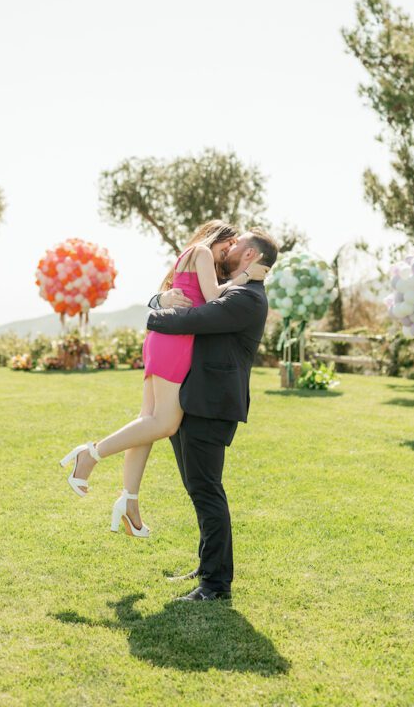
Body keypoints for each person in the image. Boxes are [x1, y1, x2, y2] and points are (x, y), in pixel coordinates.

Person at [58, 221, 266, 537]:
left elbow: (178, 294)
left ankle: (129, 501)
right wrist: (246, 277)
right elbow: (212, 298)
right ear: (218, 239)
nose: (227, 253)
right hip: (175, 341)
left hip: (162, 339)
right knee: (165, 423)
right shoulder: (202, 252)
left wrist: (161, 300)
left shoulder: (190, 256)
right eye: (227, 246)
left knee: (147, 421)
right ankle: (90, 454)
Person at [146, 228, 278, 601]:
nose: (229, 248)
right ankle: (208, 568)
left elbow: (193, 319)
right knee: (197, 488)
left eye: (237, 245)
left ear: (250, 256)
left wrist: (153, 314)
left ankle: (216, 584)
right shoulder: (235, 288)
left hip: (212, 404)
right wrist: (162, 299)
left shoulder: (246, 298)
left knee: (206, 490)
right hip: (192, 399)